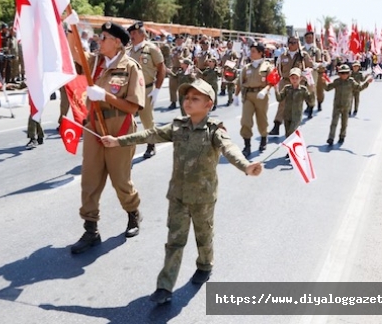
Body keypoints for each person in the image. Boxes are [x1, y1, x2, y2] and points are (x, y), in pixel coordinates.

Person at [100, 79, 263, 305]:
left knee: (203, 236)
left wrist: (246, 166)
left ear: (208, 104)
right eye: (186, 97)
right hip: (178, 195)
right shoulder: (177, 126)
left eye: (195, 98)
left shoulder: (214, 130)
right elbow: (149, 135)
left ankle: (205, 265)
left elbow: (230, 149)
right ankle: (165, 287)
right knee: (174, 241)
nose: (188, 101)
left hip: (203, 198)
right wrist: (118, 141)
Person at [65, 22, 145, 254]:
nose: (99, 41)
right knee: (90, 178)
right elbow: (73, 51)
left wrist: (105, 96)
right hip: (94, 126)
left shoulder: (130, 67)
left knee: (120, 179)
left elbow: (132, 107)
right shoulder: (94, 63)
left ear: (117, 42)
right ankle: (91, 229)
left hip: (119, 127)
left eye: (105, 37)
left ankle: (133, 213)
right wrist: (72, 28)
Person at [127, 21, 166, 159]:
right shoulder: (128, 51)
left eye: (134, 33)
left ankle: (151, 144)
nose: (131, 36)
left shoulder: (151, 49)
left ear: (142, 34)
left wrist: (157, 89)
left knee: (147, 120)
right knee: (127, 120)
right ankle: (127, 146)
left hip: (146, 89)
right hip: (130, 91)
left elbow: (162, 68)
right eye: (130, 33)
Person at [269, 36, 314, 135]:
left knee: (296, 105)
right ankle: (277, 125)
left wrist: (306, 72)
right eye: (290, 42)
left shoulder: (303, 55)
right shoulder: (283, 56)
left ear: (298, 44)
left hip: (298, 83)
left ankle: (294, 126)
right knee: (282, 104)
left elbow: (311, 66)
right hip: (285, 82)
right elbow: (278, 69)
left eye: (294, 42)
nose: (291, 44)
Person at [237, 43, 274, 156]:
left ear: (260, 53)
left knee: (262, 120)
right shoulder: (246, 68)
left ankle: (263, 137)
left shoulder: (267, 66)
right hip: (248, 96)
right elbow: (239, 82)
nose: (251, 53)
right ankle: (247, 146)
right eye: (250, 51)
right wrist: (235, 96)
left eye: (253, 51)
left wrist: (265, 90)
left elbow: (272, 81)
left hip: (261, 96)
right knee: (245, 121)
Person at [325, 64, 372, 145]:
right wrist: (322, 82)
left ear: (349, 73)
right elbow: (327, 88)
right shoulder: (337, 81)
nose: (344, 75)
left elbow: (359, 88)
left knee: (344, 123)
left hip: (346, 106)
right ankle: (331, 138)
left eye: (346, 73)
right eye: (342, 73)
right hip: (337, 105)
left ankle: (342, 136)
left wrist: (367, 83)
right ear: (339, 74)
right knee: (334, 122)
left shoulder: (351, 81)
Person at [275, 68, 311, 138]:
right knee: (288, 136)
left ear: (300, 78)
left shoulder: (303, 89)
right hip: (287, 115)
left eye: (296, 78)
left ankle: (297, 147)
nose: (294, 80)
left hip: (296, 116)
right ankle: (292, 148)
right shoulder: (286, 88)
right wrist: (276, 90)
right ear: (289, 78)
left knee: (291, 133)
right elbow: (279, 99)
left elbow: (310, 101)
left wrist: (312, 90)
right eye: (292, 78)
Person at [167, 35, 191, 109]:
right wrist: (170, 67)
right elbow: (170, 59)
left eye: (180, 40)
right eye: (177, 40)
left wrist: (182, 58)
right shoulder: (174, 49)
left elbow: (187, 59)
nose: (178, 41)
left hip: (182, 69)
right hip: (174, 69)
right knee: (172, 86)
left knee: (183, 86)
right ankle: (173, 102)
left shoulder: (185, 49)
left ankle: (185, 101)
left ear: (182, 40)